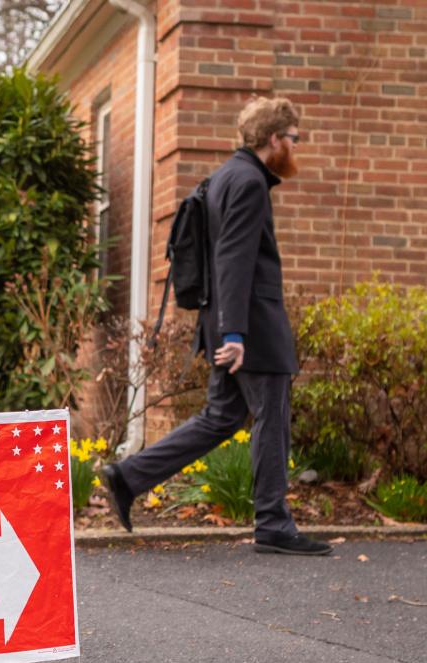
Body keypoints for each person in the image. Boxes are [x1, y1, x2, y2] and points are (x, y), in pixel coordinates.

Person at [100, 96, 331, 556]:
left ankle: (128, 476)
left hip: (227, 320)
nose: (295, 148)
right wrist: (235, 336)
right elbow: (233, 260)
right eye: (294, 139)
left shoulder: (226, 176)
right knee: (272, 418)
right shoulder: (247, 182)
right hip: (252, 328)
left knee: (221, 418)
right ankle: (272, 523)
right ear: (274, 139)